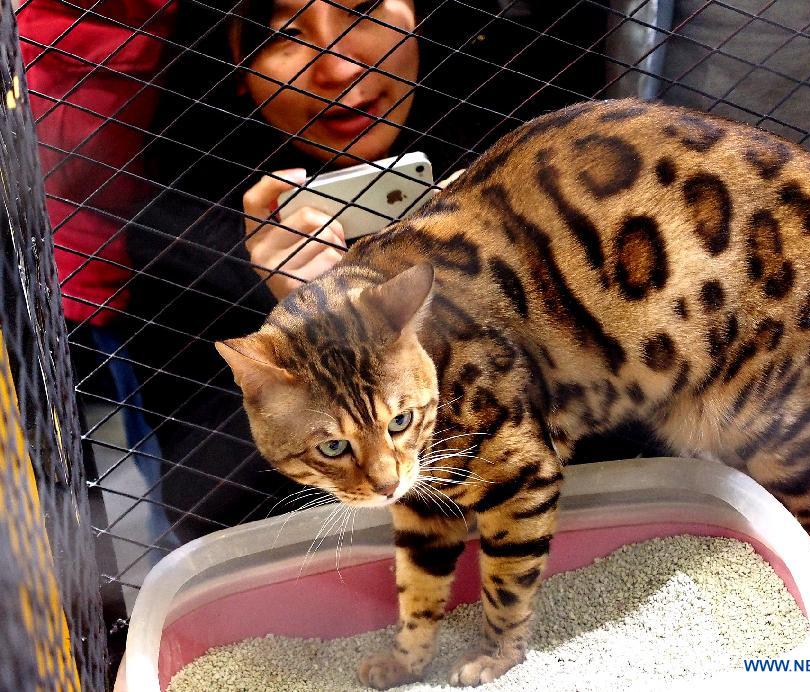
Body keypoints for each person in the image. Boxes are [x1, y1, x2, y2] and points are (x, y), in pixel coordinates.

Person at [123, 0, 608, 542]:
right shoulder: (179, 232)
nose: (340, 68)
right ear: (232, 61)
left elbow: (647, 421)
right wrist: (283, 320)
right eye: (285, 31)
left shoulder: (538, 121)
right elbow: (204, 512)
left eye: (364, 8)